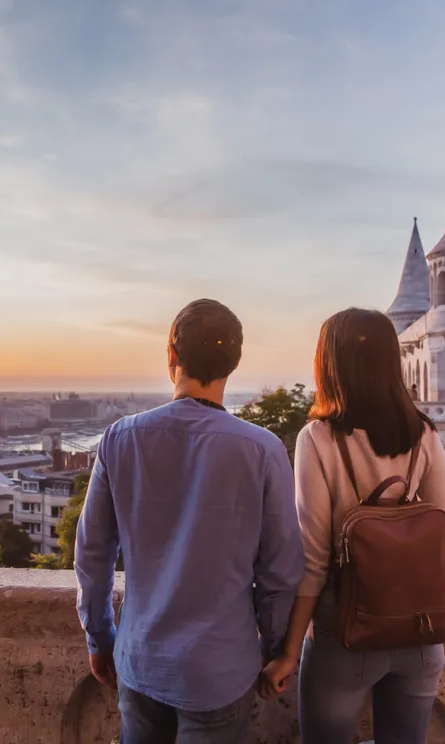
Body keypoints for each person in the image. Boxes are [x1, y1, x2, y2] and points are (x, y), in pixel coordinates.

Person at [258, 307, 445, 743]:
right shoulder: (422, 433)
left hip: (344, 638)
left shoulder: (319, 438)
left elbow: (314, 557)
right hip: (419, 635)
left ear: (330, 363)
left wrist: (288, 651)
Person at [75, 299, 304, 743]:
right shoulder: (263, 449)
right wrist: (276, 648)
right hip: (220, 668)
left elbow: (92, 554)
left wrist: (100, 636)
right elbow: (280, 570)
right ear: (233, 364)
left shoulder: (120, 439)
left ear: (171, 356)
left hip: (140, 658)